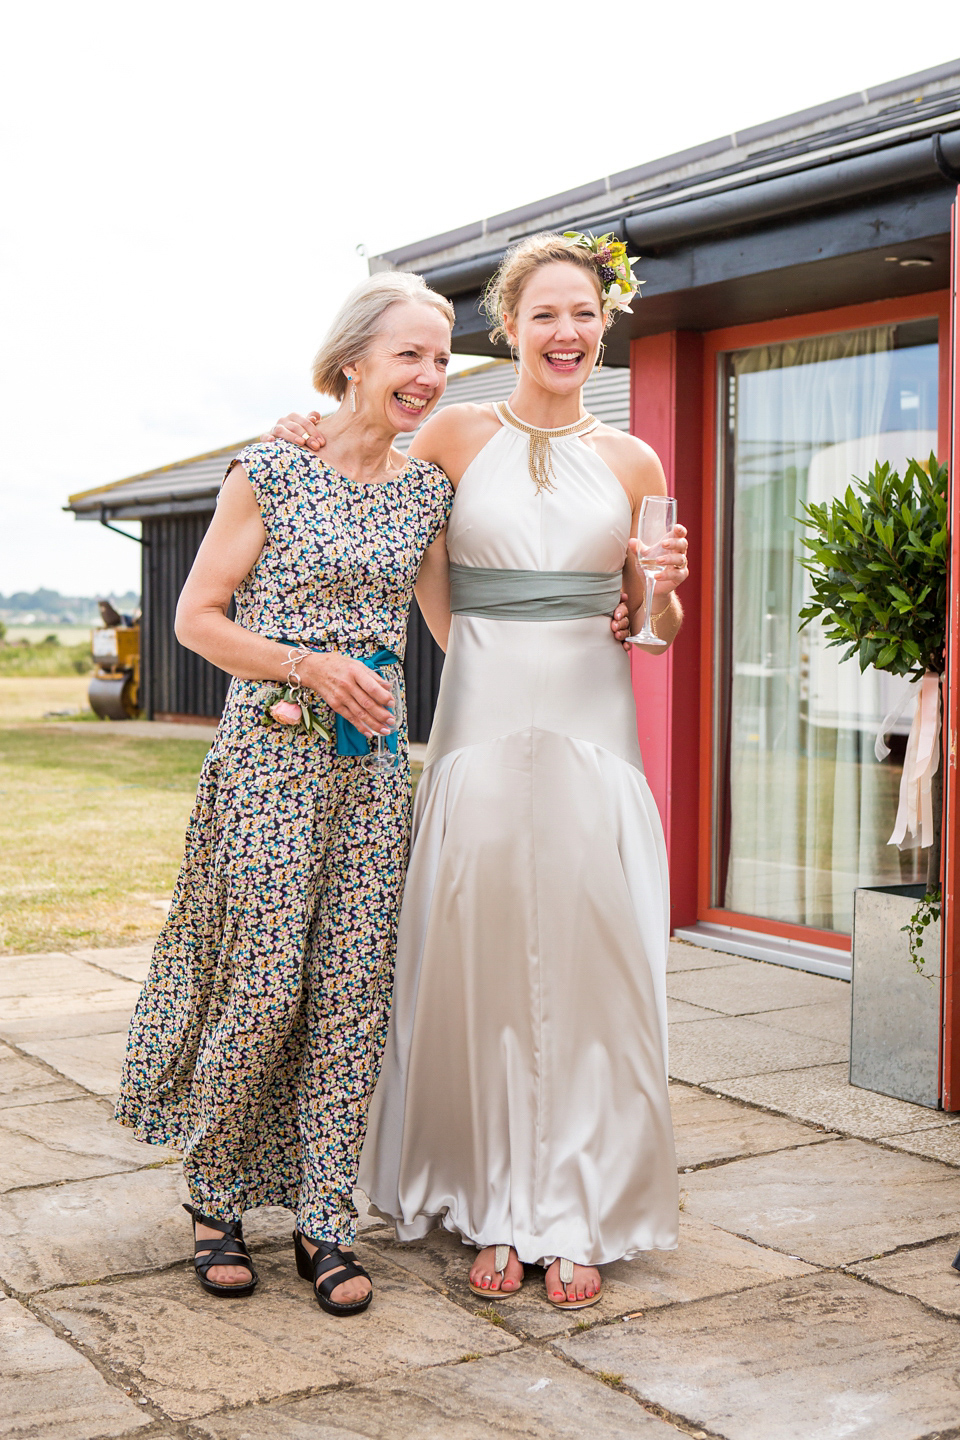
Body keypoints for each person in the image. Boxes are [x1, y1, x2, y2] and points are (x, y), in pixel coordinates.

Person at [269, 231, 688, 1310]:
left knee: (596, 966)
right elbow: (358, 493)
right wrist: (302, 431)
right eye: (545, 314)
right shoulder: (452, 433)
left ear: (606, 325)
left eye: (585, 314)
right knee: (480, 957)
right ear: (509, 328)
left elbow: (658, 633)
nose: (568, 332)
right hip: (479, 727)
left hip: (597, 735)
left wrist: (666, 591)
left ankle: (584, 1206)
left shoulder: (636, 462)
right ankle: (497, 1200)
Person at [114, 270, 459, 1316]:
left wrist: (611, 616)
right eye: (410, 355)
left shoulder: (426, 492)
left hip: (370, 777)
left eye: (441, 359)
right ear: (352, 361)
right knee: (263, 983)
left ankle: (322, 1218)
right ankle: (216, 1194)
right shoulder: (270, 469)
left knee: (352, 990)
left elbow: (459, 628)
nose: (429, 377)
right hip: (267, 767)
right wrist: (307, 665)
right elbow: (196, 620)